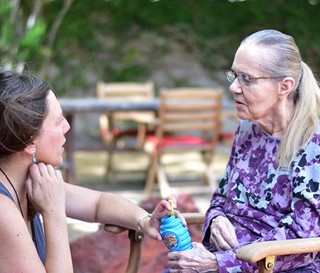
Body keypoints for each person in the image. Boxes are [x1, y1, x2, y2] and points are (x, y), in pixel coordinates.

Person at [165, 29, 320, 272]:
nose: (234, 87)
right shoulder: (247, 130)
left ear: (284, 86)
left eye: (247, 79)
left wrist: (220, 264)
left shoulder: (313, 142)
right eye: (234, 76)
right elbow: (220, 200)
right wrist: (216, 220)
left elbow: (302, 238)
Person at [0, 68, 183, 272]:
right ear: (29, 142)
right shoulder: (3, 210)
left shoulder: (33, 179)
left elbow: (98, 204)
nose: (67, 127)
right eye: (58, 121)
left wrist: (146, 221)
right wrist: (54, 212)